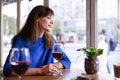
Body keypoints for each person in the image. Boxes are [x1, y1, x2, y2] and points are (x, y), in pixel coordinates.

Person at [3, 5, 71, 77]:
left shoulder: (51, 40)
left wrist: (53, 66)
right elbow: (7, 70)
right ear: (36, 18)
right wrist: (41, 70)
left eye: (52, 19)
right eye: (48, 18)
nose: (52, 22)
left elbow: (66, 61)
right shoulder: (20, 40)